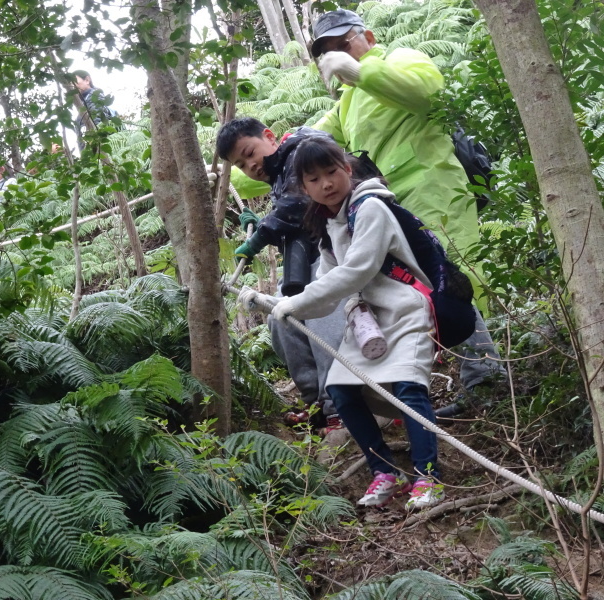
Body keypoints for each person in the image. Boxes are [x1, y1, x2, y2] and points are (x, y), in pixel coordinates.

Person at [239, 136, 444, 510]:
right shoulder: (329, 227)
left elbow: (357, 270)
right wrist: (276, 305)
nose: (326, 184)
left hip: (404, 310)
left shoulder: (370, 209)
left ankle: (427, 477)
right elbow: (326, 294)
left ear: (348, 169)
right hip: (366, 321)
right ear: (304, 187)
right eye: (314, 179)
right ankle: (384, 472)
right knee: (342, 390)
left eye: (332, 172)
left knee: (409, 389)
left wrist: (295, 302)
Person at [309, 9, 505, 394]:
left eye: (342, 43)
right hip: (393, 203)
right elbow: (306, 147)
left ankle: (489, 380)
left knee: (455, 276)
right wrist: (238, 170)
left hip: (435, 188)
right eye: (327, 51)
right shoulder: (346, 103)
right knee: (430, 284)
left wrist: (359, 72)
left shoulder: (402, 59)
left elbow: (424, 92)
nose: (337, 54)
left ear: (368, 36)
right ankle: (479, 380)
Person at [216, 117, 346, 432]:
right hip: (316, 256)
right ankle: (317, 402)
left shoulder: (301, 151)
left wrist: (258, 236)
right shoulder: (281, 169)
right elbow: (289, 207)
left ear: (269, 136)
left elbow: (298, 204)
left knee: (319, 321)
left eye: (249, 152)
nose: (250, 165)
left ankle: (341, 407)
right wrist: (261, 220)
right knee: (279, 318)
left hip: (340, 256)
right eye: (241, 164)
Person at [73, 70, 117, 150]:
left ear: (87, 80)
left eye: (75, 81)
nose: (73, 85)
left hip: (99, 151)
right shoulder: (84, 103)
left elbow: (98, 125)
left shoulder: (94, 97)